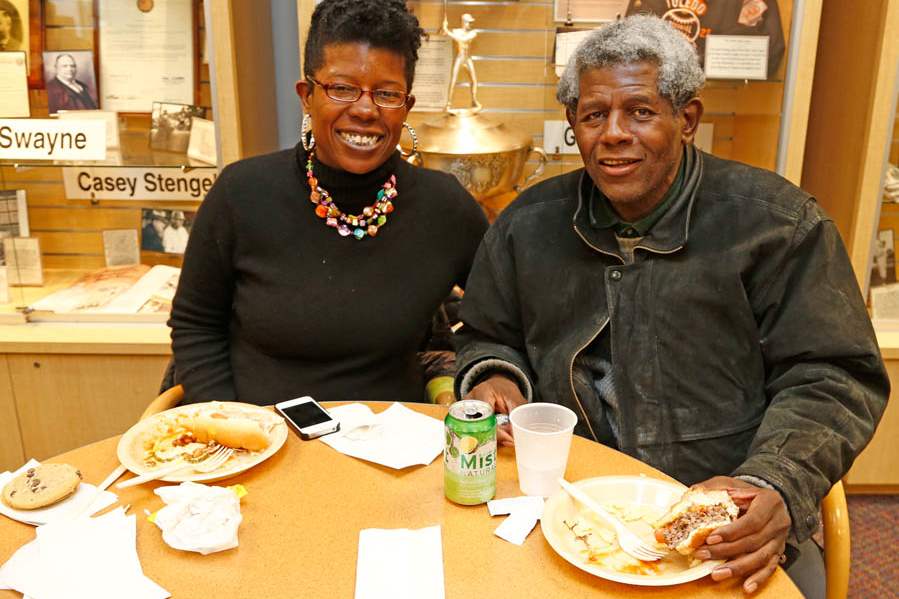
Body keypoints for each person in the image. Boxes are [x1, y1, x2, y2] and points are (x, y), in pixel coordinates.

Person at [453, 16, 888, 599]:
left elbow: (834, 376)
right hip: (567, 503)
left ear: (687, 119)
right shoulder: (526, 226)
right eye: (593, 115)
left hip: (727, 513)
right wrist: (497, 376)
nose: (613, 133)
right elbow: (486, 333)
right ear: (572, 124)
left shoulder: (777, 226)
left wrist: (775, 481)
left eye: (640, 111)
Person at [169, 0, 487, 407]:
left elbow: (501, 319)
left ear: (406, 106)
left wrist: (483, 377)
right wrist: (232, 421)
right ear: (307, 96)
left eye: (387, 94)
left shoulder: (444, 208)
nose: (365, 110)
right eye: (342, 88)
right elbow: (195, 323)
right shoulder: (241, 193)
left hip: (396, 436)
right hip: (264, 431)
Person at [443, 13, 481, 112]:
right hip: (460, 57)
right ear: (464, 22)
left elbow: (463, 39)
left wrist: (448, 32)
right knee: (453, 80)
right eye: (469, 22)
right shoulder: (456, 31)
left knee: (473, 80)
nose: (470, 24)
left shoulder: (473, 33)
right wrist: (444, 29)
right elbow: (444, 34)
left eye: (471, 22)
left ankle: (474, 100)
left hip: (467, 58)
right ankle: (448, 104)